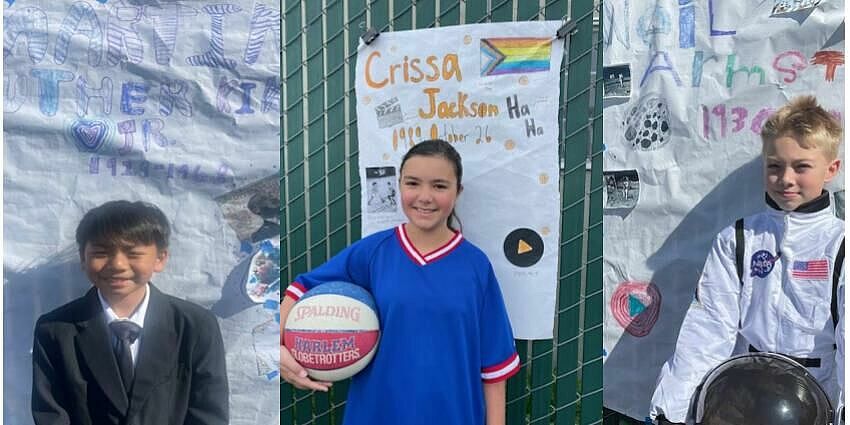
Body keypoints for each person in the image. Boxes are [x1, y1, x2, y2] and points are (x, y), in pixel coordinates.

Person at [280, 139, 520, 425]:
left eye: (440, 186)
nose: (425, 196)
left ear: (458, 191)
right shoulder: (374, 252)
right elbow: (300, 288)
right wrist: (278, 348)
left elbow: (494, 367)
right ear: (399, 186)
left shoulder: (475, 266)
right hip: (376, 414)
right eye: (413, 183)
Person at [649, 95, 845, 424]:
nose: (786, 179)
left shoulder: (840, 244)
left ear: (831, 169)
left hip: (818, 399)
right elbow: (708, 329)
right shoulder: (738, 239)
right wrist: (672, 409)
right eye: (775, 166)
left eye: (802, 167)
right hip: (742, 399)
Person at [31, 200, 229, 425]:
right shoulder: (55, 329)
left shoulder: (196, 325)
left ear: (160, 258)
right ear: (83, 259)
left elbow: (209, 413)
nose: (117, 264)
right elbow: (51, 414)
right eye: (101, 252)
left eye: (133, 253)